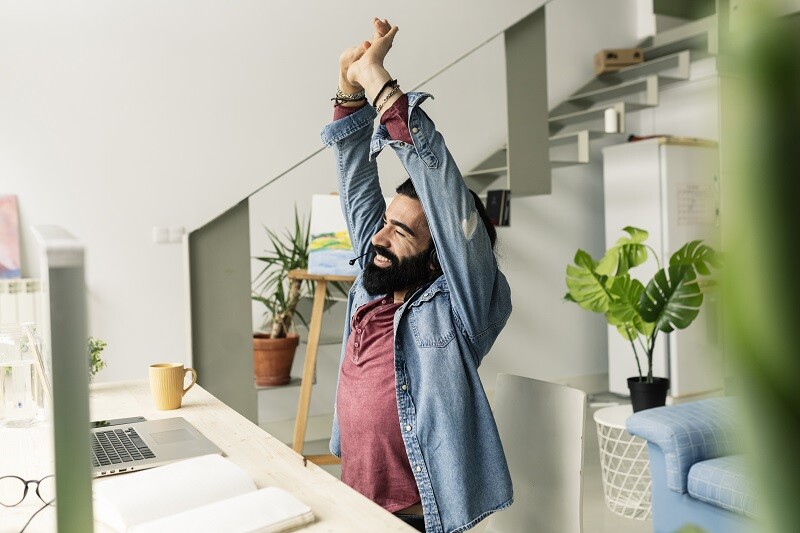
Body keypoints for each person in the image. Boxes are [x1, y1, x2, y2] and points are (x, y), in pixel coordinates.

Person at [320, 18, 513, 533]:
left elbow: (449, 206)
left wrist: (381, 83)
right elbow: (358, 182)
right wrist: (349, 86)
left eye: (402, 233)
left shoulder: (459, 307)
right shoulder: (373, 279)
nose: (379, 239)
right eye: (386, 224)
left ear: (438, 256)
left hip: (417, 513)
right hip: (353, 494)